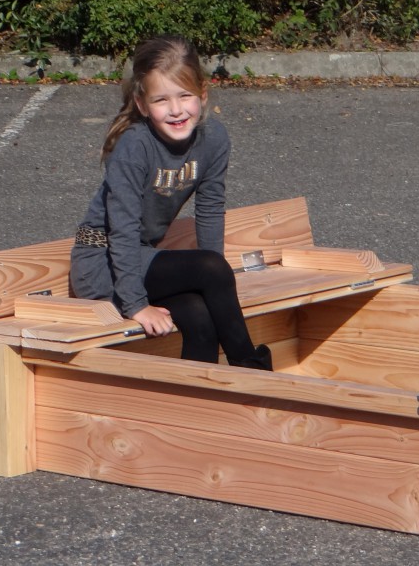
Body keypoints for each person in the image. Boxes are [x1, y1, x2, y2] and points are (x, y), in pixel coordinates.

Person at [69, 36, 271, 370]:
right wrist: (135, 305)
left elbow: (209, 208)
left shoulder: (213, 139)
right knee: (210, 269)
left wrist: (214, 284)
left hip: (142, 259)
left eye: (185, 96)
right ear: (142, 104)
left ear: (203, 96)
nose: (176, 110)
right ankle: (251, 371)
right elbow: (122, 230)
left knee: (199, 315)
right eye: (161, 100)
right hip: (102, 261)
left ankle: (194, 409)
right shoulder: (134, 146)